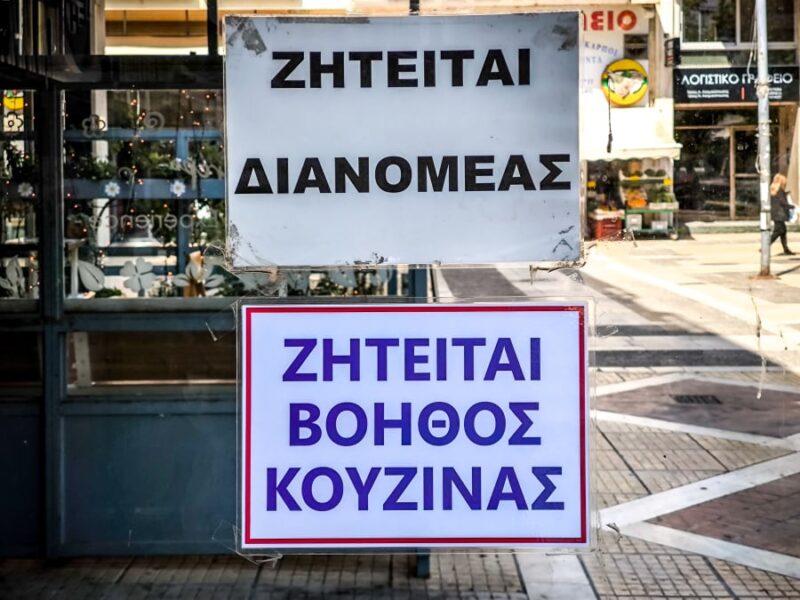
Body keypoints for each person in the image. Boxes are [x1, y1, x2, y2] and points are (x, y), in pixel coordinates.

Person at [770, 173, 794, 255]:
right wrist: (792, 206)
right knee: (778, 231)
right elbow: (782, 202)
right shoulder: (780, 191)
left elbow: (777, 201)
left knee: (783, 231)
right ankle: (765, 245)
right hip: (780, 214)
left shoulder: (773, 190)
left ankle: (786, 249)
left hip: (776, 214)